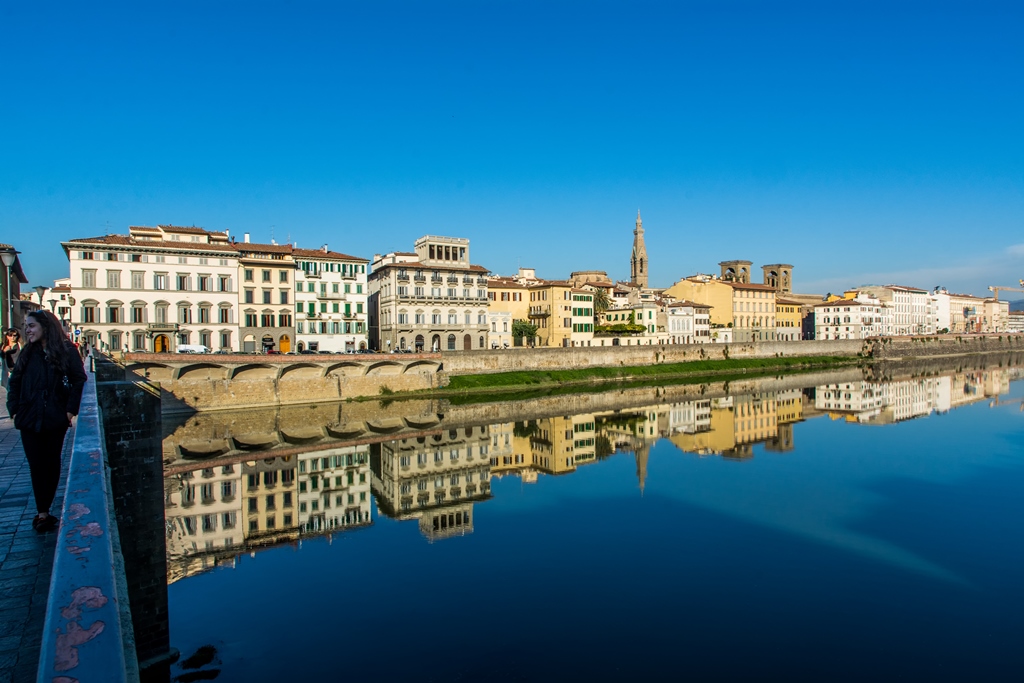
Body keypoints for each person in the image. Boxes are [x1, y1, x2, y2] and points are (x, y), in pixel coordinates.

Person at [5, 311, 87, 532]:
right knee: (35, 465)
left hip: (54, 417)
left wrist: (70, 411)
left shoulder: (66, 350)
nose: (27, 330)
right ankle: (42, 513)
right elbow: (16, 382)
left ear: (45, 326)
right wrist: (14, 410)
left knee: (50, 463)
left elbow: (79, 379)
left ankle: (45, 511)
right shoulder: (27, 353)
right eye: (26, 326)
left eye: (31, 326)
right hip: (29, 417)